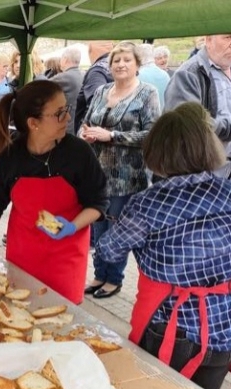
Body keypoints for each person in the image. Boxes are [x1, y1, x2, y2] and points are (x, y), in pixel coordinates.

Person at [96, 102, 231, 389]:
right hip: (230, 326)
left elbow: (109, 250)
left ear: (157, 153)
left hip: (173, 327)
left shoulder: (148, 203)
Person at [0, 80, 107, 304]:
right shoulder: (9, 157)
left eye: (67, 110)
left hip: (66, 260)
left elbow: (98, 203)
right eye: (59, 113)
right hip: (22, 257)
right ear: (34, 123)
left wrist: (72, 226)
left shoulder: (79, 153)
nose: (68, 118)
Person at [81, 42, 160, 300]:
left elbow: (152, 134)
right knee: (98, 226)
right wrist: (87, 132)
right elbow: (88, 119)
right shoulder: (103, 89)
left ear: (137, 65)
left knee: (116, 230)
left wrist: (112, 135)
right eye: (116, 60)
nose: (121, 65)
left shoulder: (147, 93)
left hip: (128, 176)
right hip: (97, 174)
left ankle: (113, 279)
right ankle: (99, 274)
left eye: (127, 60)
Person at [164, 33, 231, 181]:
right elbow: (187, 125)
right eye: (228, 37)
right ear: (208, 40)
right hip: (196, 176)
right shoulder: (189, 73)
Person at [74, 40, 114, 133]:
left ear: (90, 50)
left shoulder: (97, 71)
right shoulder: (113, 67)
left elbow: (98, 103)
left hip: (92, 135)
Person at [51, 46, 84, 135]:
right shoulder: (83, 75)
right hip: (78, 126)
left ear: (65, 60)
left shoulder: (64, 77)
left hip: (67, 127)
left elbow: (41, 87)